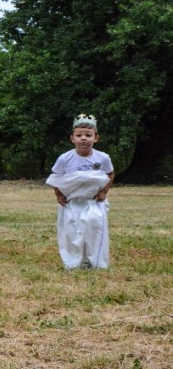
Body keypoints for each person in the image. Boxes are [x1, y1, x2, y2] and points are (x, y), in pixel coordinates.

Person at [45, 114, 114, 269]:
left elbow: (110, 174)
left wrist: (104, 192)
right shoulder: (65, 158)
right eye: (79, 135)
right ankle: (74, 262)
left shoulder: (102, 158)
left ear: (96, 138)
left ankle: (95, 262)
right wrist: (59, 195)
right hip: (72, 202)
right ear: (72, 138)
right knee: (72, 232)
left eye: (88, 135)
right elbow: (56, 178)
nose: (83, 138)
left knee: (94, 229)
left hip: (93, 201)